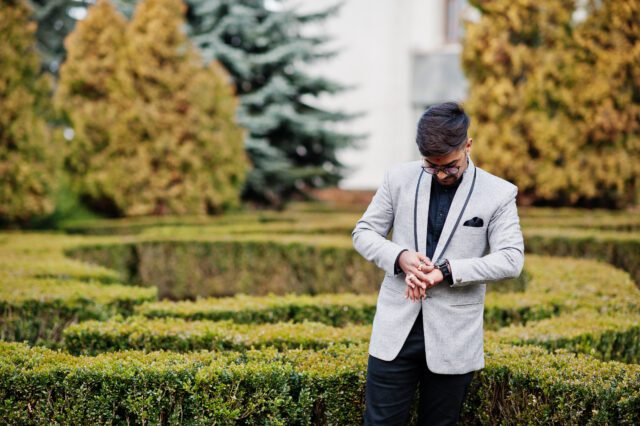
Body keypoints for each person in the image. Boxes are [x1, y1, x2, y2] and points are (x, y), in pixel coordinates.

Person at [352, 101, 525, 425]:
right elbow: (363, 232)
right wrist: (400, 257)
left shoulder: (499, 193)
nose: (441, 173)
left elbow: (511, 259)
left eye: (450, 165)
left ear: (468, 146)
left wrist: (446, 271)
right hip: (394, 333)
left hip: (454, 338)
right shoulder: (397, 179)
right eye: (432, 166)